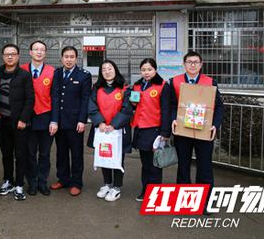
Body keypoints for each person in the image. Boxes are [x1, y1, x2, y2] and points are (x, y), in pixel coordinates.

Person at [170, 51, 224, 189]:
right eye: (189, 62)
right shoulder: (174, 81)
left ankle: (204, 200)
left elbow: (219, 107)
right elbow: (170, 105)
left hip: (204, 132)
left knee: (204, 166)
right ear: (184, 64)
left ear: (201, 64)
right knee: (183, 166)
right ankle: (184, 198)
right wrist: (173, 119)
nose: (192, 65)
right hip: (182, 132)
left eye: (196, 62)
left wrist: (215, 125)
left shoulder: (210, 82)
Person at [87, 60, 133, 202]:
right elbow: (91, 105)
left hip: (118, 130)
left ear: (115, 70)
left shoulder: (124, 88)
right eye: (104, 69)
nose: (107, 71)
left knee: (118, 157)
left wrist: (114, 124)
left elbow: (127, 109)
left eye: (110, 68)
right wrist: (99, 121)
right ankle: (107, 184)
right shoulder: (97, 88)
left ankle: (117, 187)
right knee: (104, 155)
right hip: (101, 130)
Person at [0, 44, 35, 201]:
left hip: (19, 123)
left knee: (20, 154)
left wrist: (23, 119)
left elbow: (30, 99)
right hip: (2, 122)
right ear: (3, 56)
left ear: (18, 56)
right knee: (6, 154)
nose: (10, 57)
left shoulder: (24, 75)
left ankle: (19, 183)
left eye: (13, 54)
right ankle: (8, 181)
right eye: (7, 54)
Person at [50, 46, 91, 196]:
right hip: (59, 121)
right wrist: (53, 120)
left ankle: (76, 182)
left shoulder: (83, 75)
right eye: (66, 56)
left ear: (76, 58)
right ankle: (63, 179)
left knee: (76, 153)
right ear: (61, 58)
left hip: (75, 122)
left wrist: (82, 120)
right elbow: (54, 97)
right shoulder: (57, 73)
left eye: (71, 57)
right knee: (61, 152)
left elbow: (85, 99)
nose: (68, 59)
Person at [130, 58, 171, 201]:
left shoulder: (163, 86)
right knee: (145, 163)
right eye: (143, 70)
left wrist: (165, 133)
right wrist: (133, 104)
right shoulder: (137, 85)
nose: (146, 73)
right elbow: (135, 106)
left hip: (154, 130)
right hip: (141, 129)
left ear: (155, 70)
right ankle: (145, 189)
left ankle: (155, 194)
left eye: (149, 69)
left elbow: (166, 110)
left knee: (155, 164)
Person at [21, 40, 55, 196]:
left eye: (42, 49)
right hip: (27, 118)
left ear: (45, 53)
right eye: (36, 49)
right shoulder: (21, 70)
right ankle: (32, 182)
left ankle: (42, 181)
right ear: (30, 52)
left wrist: (54, 120)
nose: (39, 52)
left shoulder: (52, 71)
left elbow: (56, 99)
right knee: (29, 153)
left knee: (45, 153)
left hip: (46, 117)